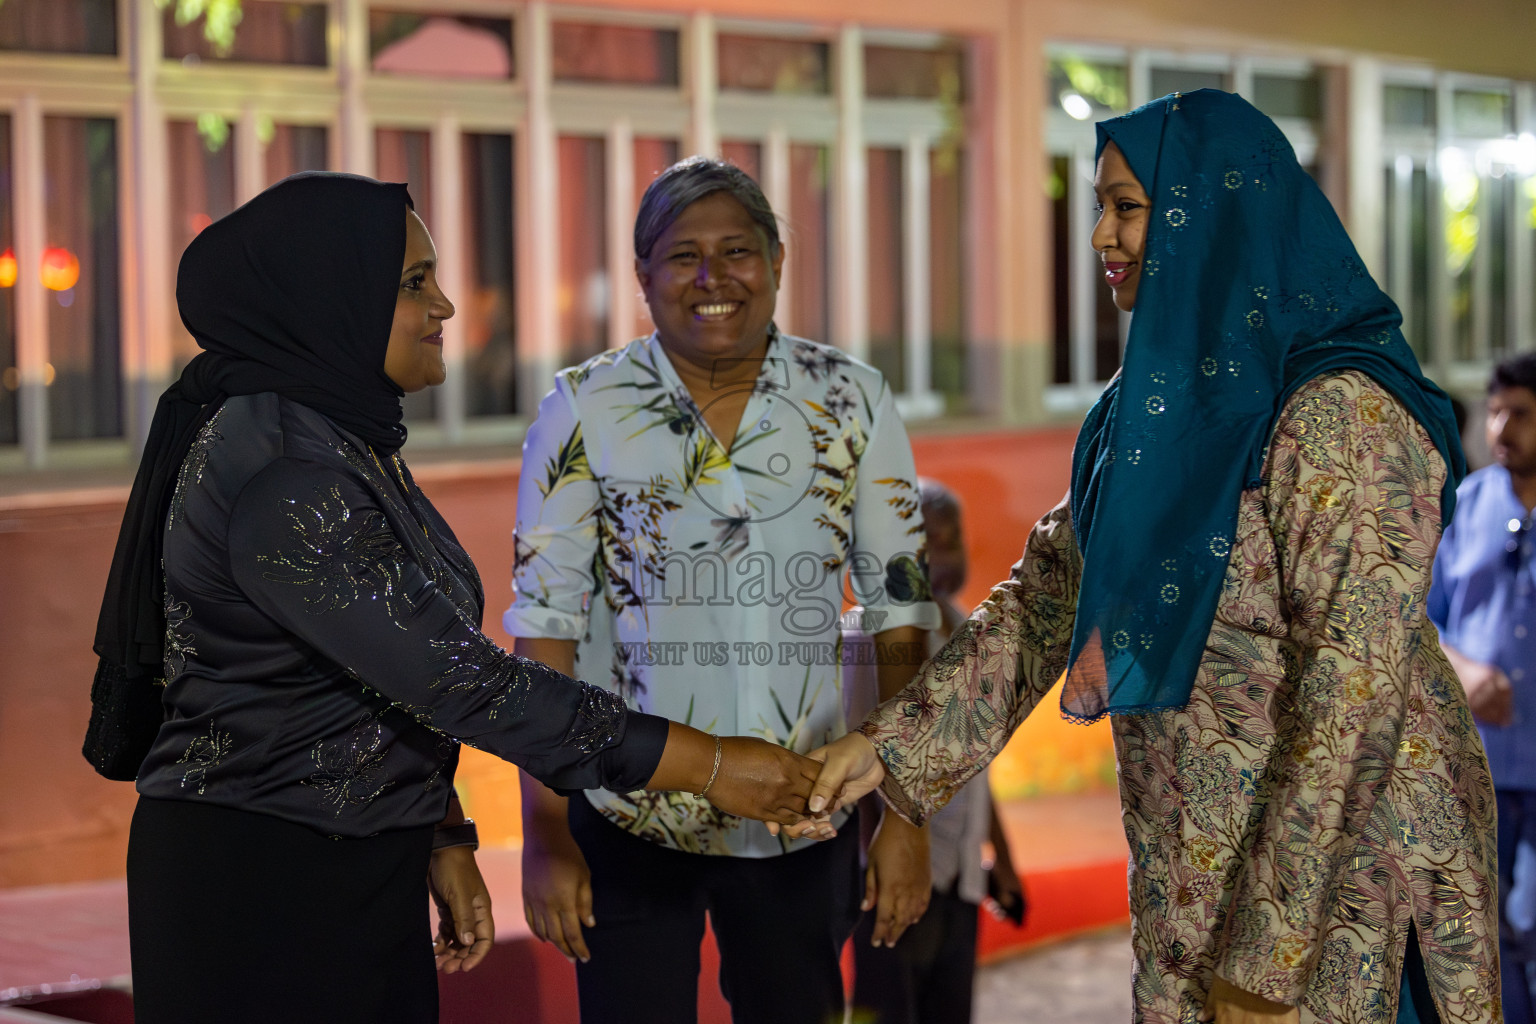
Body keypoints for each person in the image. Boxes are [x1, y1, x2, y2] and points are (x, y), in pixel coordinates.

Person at [799, 90, 1498, 1024]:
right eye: (1102, 205)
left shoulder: (1343, 414)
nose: (1100, 235)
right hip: (1194, 862)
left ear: (1211, 212)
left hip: (1344, 882)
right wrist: (883, 751)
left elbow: (1350, 701)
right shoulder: (1149, 409)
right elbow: (1046, 601)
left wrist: (1267, 961)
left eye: (1129, 208)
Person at [89, 172, 818, 1024]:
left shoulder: (340, 435)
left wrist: (439, 830)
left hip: (350, 860)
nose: (444, 308)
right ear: (332, 296)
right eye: (412, 284)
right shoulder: (288, 476)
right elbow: (465, 681)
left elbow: (381, 672)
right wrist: (714, 766)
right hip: (265, 884)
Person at [506, 156, 939, 1024]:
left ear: (778, 259)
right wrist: (547, 833)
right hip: (627, 811)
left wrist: (907, 817)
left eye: (737, 250)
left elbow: (899, 610)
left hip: (804, 812)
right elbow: (544, 625)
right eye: (682, 256)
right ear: (643, 275)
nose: (712, 279)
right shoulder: (584, 408)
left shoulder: (851, 399)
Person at [846, 479, 1025, 1024]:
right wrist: (877, 863)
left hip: (959, 878)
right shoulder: (868, 639)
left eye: (952, 541)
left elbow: (978, 766)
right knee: (890, 1009)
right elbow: (860, 762)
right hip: (893, 873)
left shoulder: (966, 629)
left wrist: (1003, 862)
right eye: (926, 544)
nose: (942, 558)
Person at [1429, 352, 1536, 1023]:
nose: (1500, 427)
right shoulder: (1467, 504)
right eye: (1495, 411)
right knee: (1482, 935)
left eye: (1520, 414)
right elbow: (1422, 619)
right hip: (1482, 766)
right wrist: (1465, 672)